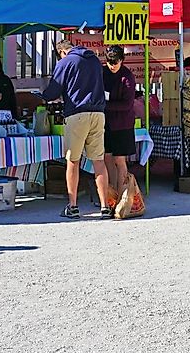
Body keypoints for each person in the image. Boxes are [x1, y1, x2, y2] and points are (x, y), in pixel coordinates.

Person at [42, 40, 108, 219]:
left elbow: (53, 91)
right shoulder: (94, 59)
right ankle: (105, 206)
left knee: (73, 161)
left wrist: (43, 96)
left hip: (77, 114)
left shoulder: (66, 62)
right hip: (98, 113)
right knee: (99, 161)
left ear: (61, 52)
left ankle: (72, 206)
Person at [101, 45, 137, 212]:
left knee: (120, 160)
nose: (112, 65)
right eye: (109, 62)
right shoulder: (103, 73)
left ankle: (124, 196)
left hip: (122, 124)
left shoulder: (127, 77)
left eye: (115, 62)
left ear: (122, 61)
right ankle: (111, 194)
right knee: (107, 157)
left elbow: (127, 104)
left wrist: (105, 105)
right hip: (106, 123)